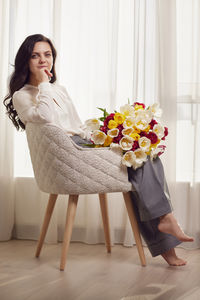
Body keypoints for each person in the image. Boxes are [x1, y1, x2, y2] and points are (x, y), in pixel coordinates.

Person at [3, 34, 194, 266]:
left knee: (142, 155)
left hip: (82, 145)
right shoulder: (22, 95)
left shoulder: (59, 89)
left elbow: (76, 124)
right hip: (70, 155)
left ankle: (166, 228)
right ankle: (166, 223)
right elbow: (45, 118)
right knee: (140, 162)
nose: (43, 60)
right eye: (35, 55)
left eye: (48, 54)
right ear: (26, 60)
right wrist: (44, 85)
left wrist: (106, 135)